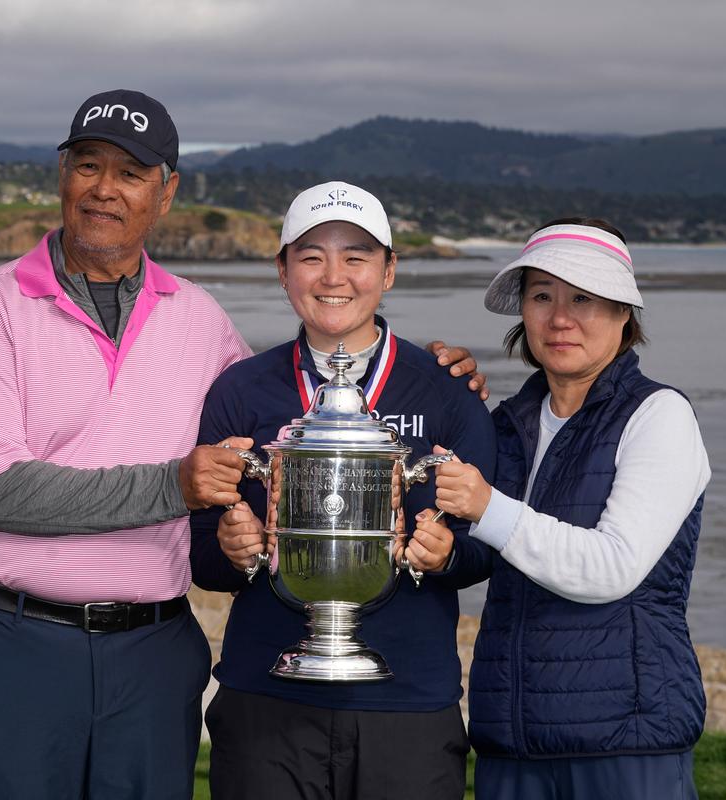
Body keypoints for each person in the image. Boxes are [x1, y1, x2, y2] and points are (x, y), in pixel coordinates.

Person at [0, 92, 487, 800]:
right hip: (17, 640)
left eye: (131, 174)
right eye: (88, 165)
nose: (105, 189)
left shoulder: (199, 320)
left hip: (153, 651)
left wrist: (440, 372)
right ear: (63, 176)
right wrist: (175, 486)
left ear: (165, 193)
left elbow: (280, 408)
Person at [190, 181, 497, 800]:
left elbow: (484, 550)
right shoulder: (239, 390)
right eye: (311, 257)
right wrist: (230, 548)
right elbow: (201, 561)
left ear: (389, 271)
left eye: (356, 257)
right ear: (283, 271)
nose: (334, 277)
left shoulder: (446, 389)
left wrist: (445, 555)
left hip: (407, 702)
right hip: (267, 696)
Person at [431, 218, 711, 799]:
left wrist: (486, 505)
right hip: (511, 742)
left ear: (624, 312)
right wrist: (436, 396)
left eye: (583, 298)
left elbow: (612, 567)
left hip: (625, 742)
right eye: (542, 297)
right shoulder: (506, 424)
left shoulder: (659, 416)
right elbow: (471, 549)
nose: (560, 318)